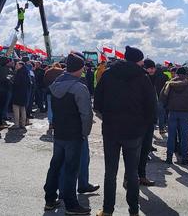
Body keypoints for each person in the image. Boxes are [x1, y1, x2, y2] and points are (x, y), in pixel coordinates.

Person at [94, 46, 156, 216]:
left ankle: (107, 210)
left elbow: (97, 103)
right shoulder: (143, 78)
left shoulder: (108, 74)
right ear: (138, 60)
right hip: (134, 132)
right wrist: (144, 127)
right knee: (132, 173)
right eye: (142, 60)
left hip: (111, 130)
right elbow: (152, 107)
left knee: (110, 173)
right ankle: (133, 211)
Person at [43, 53, 93, 215]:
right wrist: (85, 133)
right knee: (72, 169)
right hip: (74, 133)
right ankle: (71, 204)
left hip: (59, 132)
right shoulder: (79, 88)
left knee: (55, 166)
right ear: (79, 68)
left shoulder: (56, 83)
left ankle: (50, 199)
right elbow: (86, 114)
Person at [160, 67, 188, 164]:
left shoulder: (169, 84)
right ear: (187, 74)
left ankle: (169, 157)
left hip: (172, 112)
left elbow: (162, 97)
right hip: (185, 113)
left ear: (177, 74)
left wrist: (167, 107)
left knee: (171, 136)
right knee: (185, 136)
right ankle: (184, 157)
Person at [135, 59, 165, 186]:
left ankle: (141, 175)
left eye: (153, 68)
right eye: (149, 68)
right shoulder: (140, 79)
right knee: (136, 150)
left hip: (149, 119)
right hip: (139, 119)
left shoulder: (158, 78)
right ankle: (131, 178)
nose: (151, 70)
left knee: (145, 148)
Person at [44, 62, 64, 133]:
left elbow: (45, 82)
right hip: (60, 93)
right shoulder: (62, 72)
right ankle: (59, 122)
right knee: (60, 107)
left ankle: (51, 123)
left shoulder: (48, 72)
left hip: (50, 92)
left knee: (50, 107)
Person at [12, 61, 30, 129]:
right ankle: (23, 124)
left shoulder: (19, 73)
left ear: (21, 65)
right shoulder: (27, 73)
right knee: (23, 109)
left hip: (17, 93)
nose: (16, 66)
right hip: (24, 93)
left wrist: (11, 81)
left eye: (17, 65)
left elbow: (16, 84)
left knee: (16, 109)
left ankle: (16, 124)